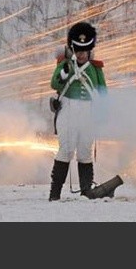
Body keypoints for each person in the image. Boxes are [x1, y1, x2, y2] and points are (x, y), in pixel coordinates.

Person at [48, 21, 118, 201]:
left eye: (84, 51)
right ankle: (54, 193)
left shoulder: (96, 68)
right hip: (69, 110)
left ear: (89, 51)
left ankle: (86, 191)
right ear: (73, 49)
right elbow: (55, 83)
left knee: (85, 151)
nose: (81, 55)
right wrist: (63, 74)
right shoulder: (65, 64)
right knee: (66, 150)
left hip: (88, 111)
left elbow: (102, 91)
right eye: (78, 51)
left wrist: (104, 112)